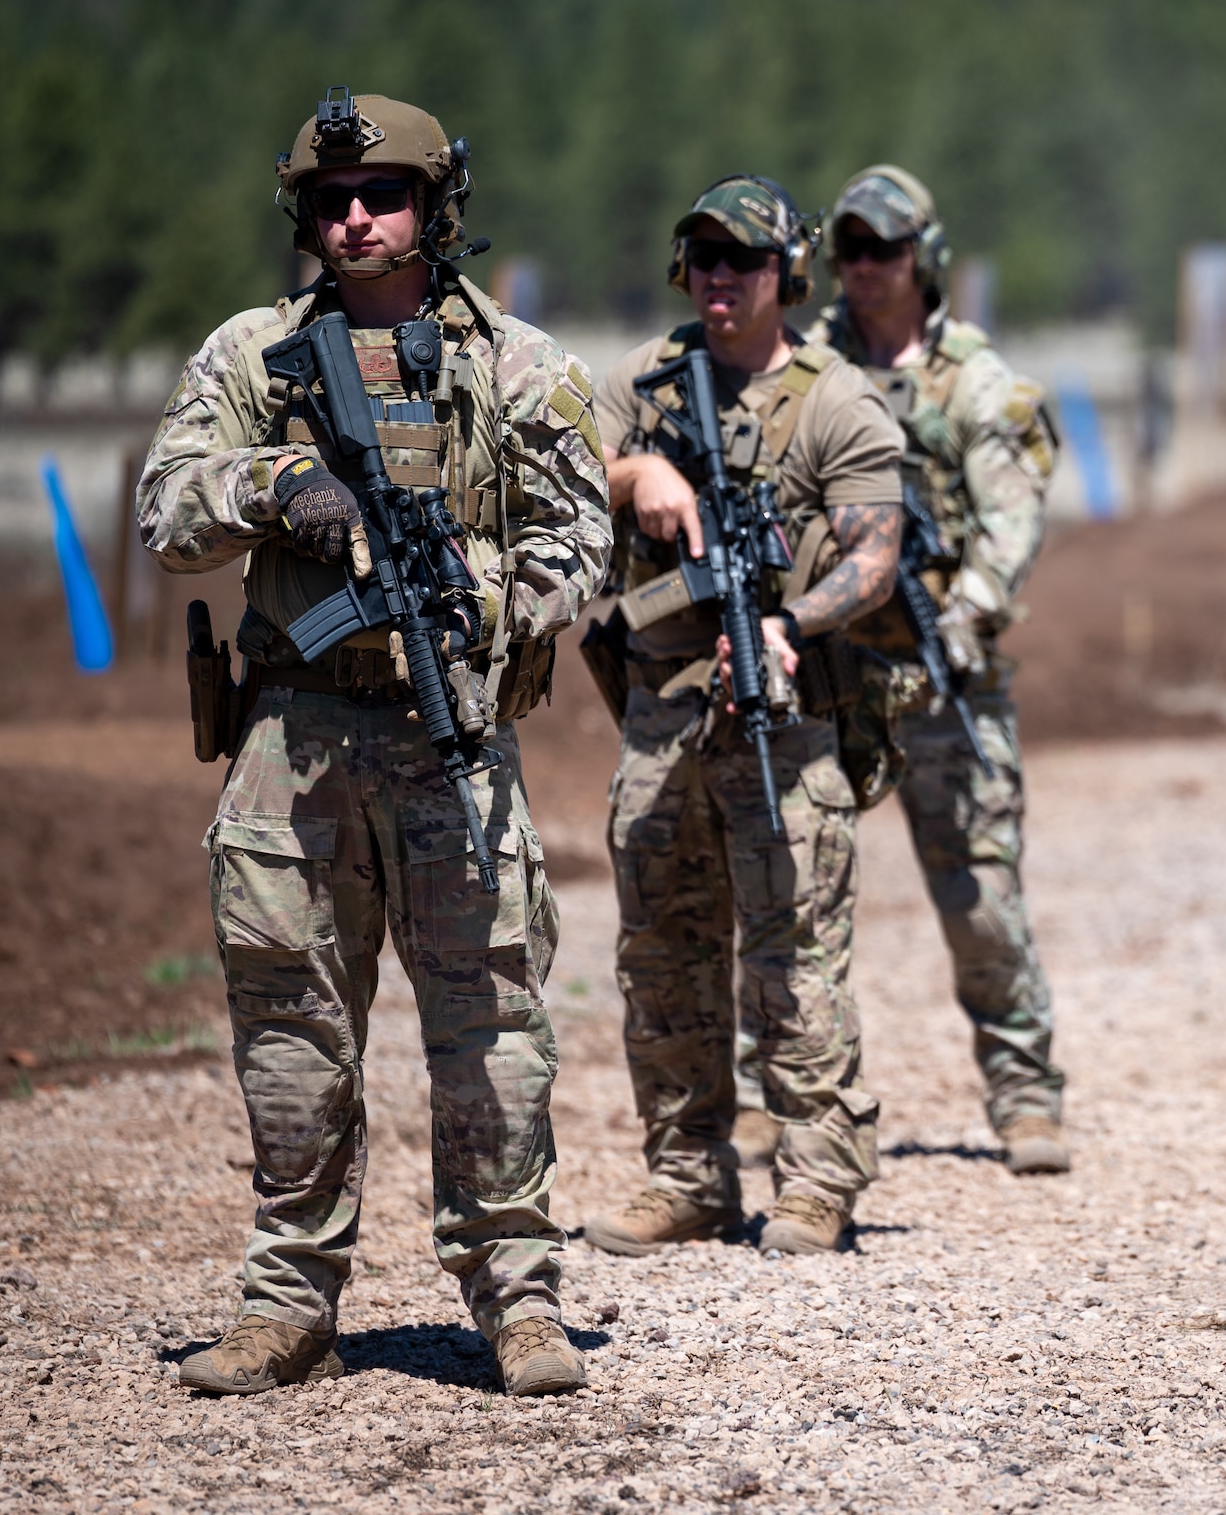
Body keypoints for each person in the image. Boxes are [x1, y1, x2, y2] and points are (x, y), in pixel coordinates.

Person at [136, 88, 611, 1397]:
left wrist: (478, 586)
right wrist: (277, 486)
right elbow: (169, 511)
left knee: (494, 1031)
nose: (355, 218)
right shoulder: (251, 356)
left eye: (383, 195)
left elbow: (583, 544)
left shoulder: (515, 365)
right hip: (295, 738)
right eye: (332, 200)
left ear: (434, 207)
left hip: (448, 730)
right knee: (291, 1034)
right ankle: (290, 1302)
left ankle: (519, 1298)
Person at [722, 164, 1067, 1177]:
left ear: (928, 257)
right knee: (788, 891)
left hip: (936, 673)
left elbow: (1009, 525)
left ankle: (1025, 1092)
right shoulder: (807, 364)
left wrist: (965, 615)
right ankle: (763, 1096)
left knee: (978, 899)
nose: (868, 269)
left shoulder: (976, 383)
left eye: (888, 250)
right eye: (852, 251)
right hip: (824, 671)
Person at [586, 176, 903, 1258]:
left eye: (747, 261)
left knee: (793, 958)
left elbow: (873, 557)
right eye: (706, 258)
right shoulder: (644, 381)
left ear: (786, 275)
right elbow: (564, 471)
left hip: (785, 718)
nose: (723, 278)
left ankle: (815, 1180)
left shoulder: (835, 401)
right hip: (662, 719)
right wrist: (639, 475)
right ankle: (687, 1175)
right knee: (661, 956)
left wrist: (790, 624)